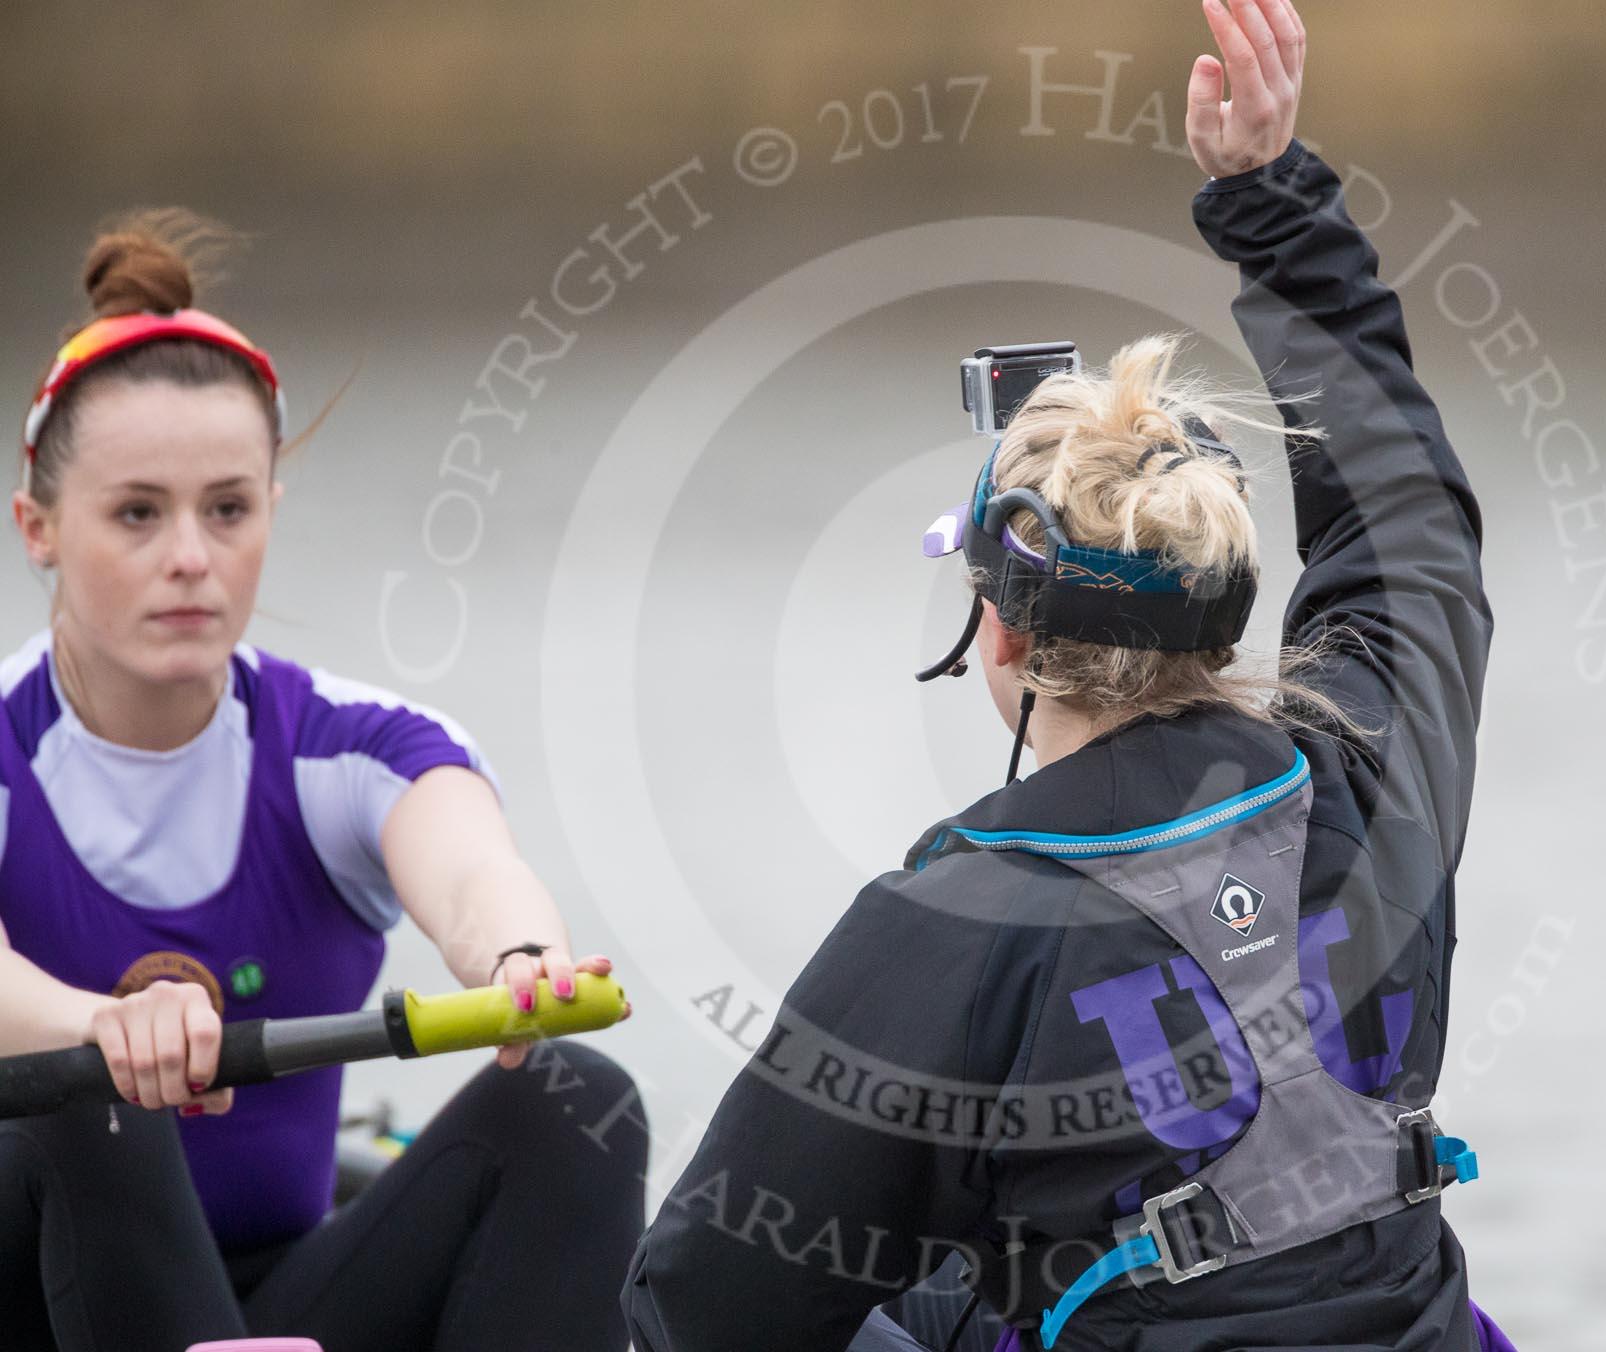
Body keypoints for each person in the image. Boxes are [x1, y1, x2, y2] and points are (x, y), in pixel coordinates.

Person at [626, 1, 1518, 1348]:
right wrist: (1269, 195)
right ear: (1219, 618)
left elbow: (703, 1306)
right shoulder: (1378, 772)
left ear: (1002, 632)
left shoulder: (949, 922)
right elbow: (1410, 521)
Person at [0, 210, 648, 1352]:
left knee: (580, 1098)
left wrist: (517, 957)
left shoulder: (351, 743)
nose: (192, 556)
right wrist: (105, 1024)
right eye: (139, 513)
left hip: (284, 1295)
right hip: (29, 1294)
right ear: (38, 526)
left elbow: (469, 870)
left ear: (270, 514)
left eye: (228, 509)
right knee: (92, 1090)